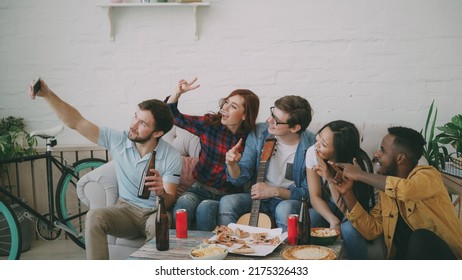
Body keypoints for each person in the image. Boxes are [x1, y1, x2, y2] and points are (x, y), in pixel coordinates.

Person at [29, 79, 182, 260]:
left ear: (157, 133)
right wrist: (47, 94)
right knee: (94, 216)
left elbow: (170, 201)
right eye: (135, 116)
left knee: (159, 226)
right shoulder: (119, 141)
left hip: (154, 212)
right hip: (126, 210)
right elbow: (77, 122)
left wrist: (161, 192)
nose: (133, 125)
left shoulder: (171, 156)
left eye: (143, 123)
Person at [331, 126, 462, 259]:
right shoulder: (387, 193)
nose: (376, 154)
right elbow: (372, 230)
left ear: (400, 158)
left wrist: (360, 174)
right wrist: (347, 192)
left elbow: (406, 190)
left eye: (382, 150)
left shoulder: (428, 176)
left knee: (421, 237)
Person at [166, 78, 260, 231]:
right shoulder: (210, 125)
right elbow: (173, 117)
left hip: (227, 196)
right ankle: (179, 250)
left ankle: (208, 252)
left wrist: (233, 163)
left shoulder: (250, 140)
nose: (225, 108)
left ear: (244, 115)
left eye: (233, 106)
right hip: (199, 188)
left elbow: (241, 178)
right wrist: (177, 94)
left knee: (205, 207)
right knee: (183, 204)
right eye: (226, 102)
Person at [218, 95, 316, 232]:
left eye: (276, 120)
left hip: (287, 200)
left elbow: (308, 193)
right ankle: (229, 247)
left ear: (294, 128)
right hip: (259, 199)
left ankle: (286, 251)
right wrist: (231, 164)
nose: (269, 120)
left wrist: (274, 191)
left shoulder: (312, 146)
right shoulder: (259, 133)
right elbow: (241, 177)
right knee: (228, 202)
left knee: (284, 209)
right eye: (271, 114)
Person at [305, 120, 378, 259]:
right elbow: (314, 196)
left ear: (338, 151)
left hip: (355, 210)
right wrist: (333, 220)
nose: (316, 144)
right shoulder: (313, 153)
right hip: (331, 206)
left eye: (324, 144)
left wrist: (329, 177)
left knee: (349, 229)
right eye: (319, 135)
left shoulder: (359, 166)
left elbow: (348, 210)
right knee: (311, 216)